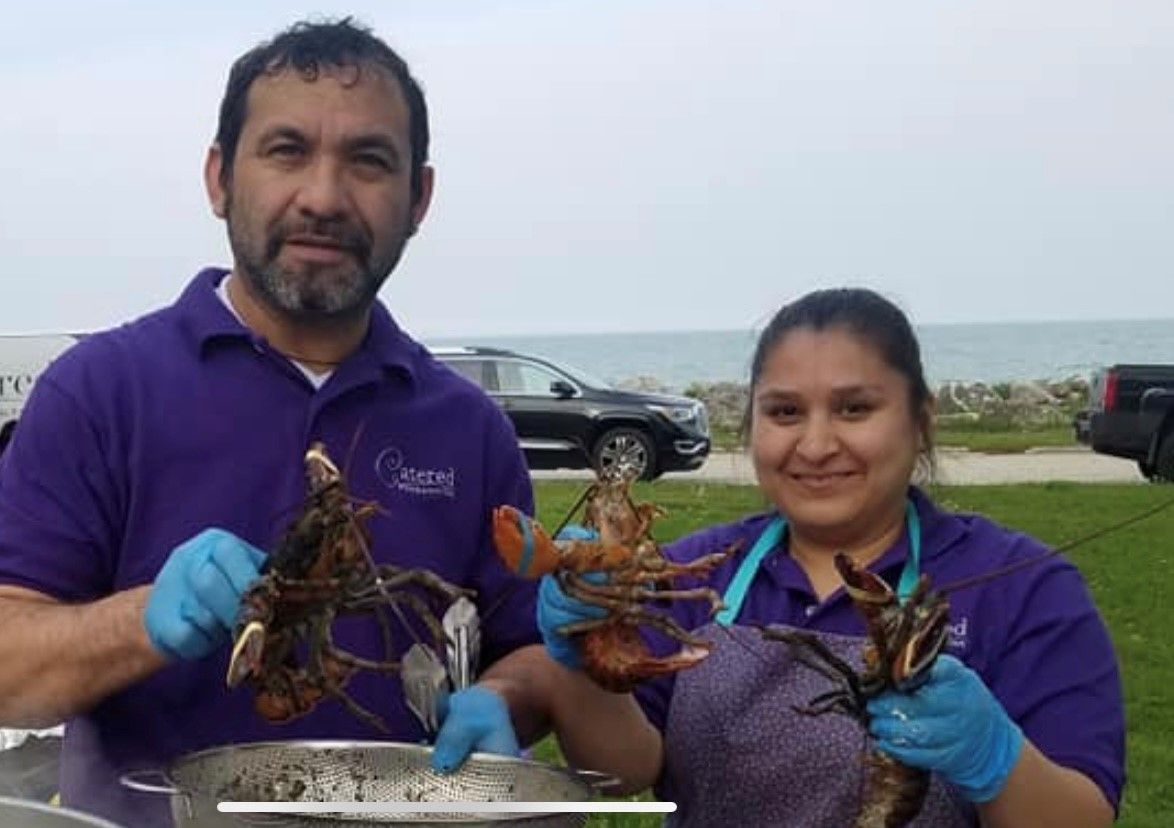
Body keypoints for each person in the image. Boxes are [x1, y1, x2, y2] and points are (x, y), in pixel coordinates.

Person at [0, 19, 549, 827]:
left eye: (368, 161)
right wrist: (141, 619)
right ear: (220, 178)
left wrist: (508, 695)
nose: (323, 198)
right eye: (286, 151)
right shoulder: (97, 391)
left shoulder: (470, 428)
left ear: (418, 198)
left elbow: (528, 648)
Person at [439, 288, 1125, 827]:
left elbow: (1082, 815)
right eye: (786, 412)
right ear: (753, 427)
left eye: (855, 409)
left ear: (920, 421)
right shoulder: (700, 571)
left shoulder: (1030, 589)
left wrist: (993, 757)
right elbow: (626, 773)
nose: (817, 444)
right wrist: (583, 665)